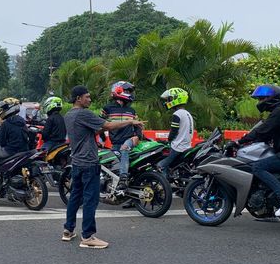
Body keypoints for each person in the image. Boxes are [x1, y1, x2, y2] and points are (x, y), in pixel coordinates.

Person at [62, 85, 145, 249]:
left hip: (77, 161)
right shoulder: (83, 113)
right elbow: (107, 126)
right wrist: (130, 121)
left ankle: (68, 230)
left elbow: (95, 129)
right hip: (88, 162)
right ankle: (88, 236)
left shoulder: (69, 115)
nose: (90, 99)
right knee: (90, 199)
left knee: (74, 198)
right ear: (78, 98)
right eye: (87, 96)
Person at [232, 84, 280, 218]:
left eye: (261, 99)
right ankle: (268, 210)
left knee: (257, 167)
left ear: (270, 98)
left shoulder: (279, 112)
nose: (259, 102)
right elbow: (268, 132)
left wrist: (239, 142)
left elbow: (263, 129)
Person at [0, 98, 30, 192]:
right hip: (24, 150)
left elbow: (2, 143)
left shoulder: (6, 124)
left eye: (4, 109)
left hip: (10, 151)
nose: (3, 111)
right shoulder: (21, 121)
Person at [100, 81, 143, 190]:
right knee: (113, 167)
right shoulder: (107, 109)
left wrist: (137, 136)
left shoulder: (131, 110)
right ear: (118, 91)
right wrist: (102, 139)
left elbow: (138, 125)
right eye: (127, 91)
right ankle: (130, 196)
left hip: (128, 140)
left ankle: (123, 179)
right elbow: (100, 124)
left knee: (124, 149)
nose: (130, 93)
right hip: (115, 144)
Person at [156, 88, 195, 177]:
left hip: (177, 147)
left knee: (160, 165)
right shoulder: (187, 113)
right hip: (186, 146)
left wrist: (168, 140)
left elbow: (174, 131)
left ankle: (165, 186)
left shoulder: (177, 114)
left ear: (175, 99)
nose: (167, 102)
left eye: (169, 99)